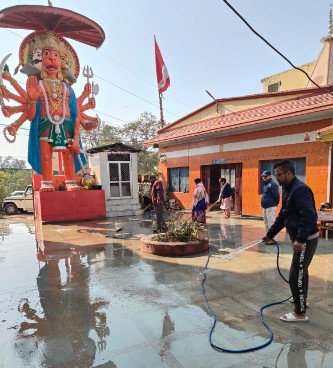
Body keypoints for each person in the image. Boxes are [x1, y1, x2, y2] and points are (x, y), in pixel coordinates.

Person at [262, 160, 318, 322]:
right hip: (301, 238)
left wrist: (300, 240)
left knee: (296, 275)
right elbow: (284, 215)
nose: (276, 178)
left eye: (279, 175)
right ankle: (302, 300)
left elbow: (308, 216)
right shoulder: (287, 189)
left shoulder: (300, 190)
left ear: (288, 173)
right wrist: (271, 233)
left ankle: (299, 313)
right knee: (301, 271)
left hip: (306, 239)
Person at [261, 170, 280, 244]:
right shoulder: (265, 184)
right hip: (265, 206)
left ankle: (273, 238)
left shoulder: (272, 184)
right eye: (263, 176)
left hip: (270, 206)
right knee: (266, 223)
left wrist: (275, 204)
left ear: (269, 176)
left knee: (271, 223)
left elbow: (276, 196)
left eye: (265, 176)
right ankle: (268, 236)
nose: (264, 177)